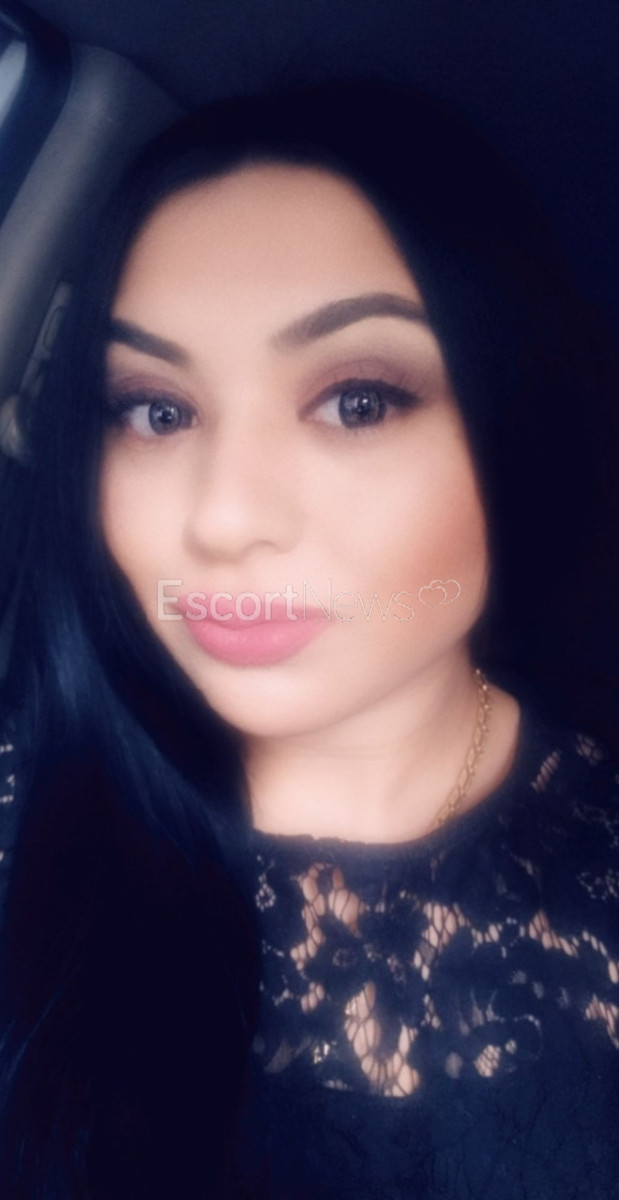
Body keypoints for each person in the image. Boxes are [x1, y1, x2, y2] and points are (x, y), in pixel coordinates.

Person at [0, 76, 618, 1199]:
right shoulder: (23, 802)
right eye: (156, 411)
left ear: (517, 418)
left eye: (358, 402)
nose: (223, 519)